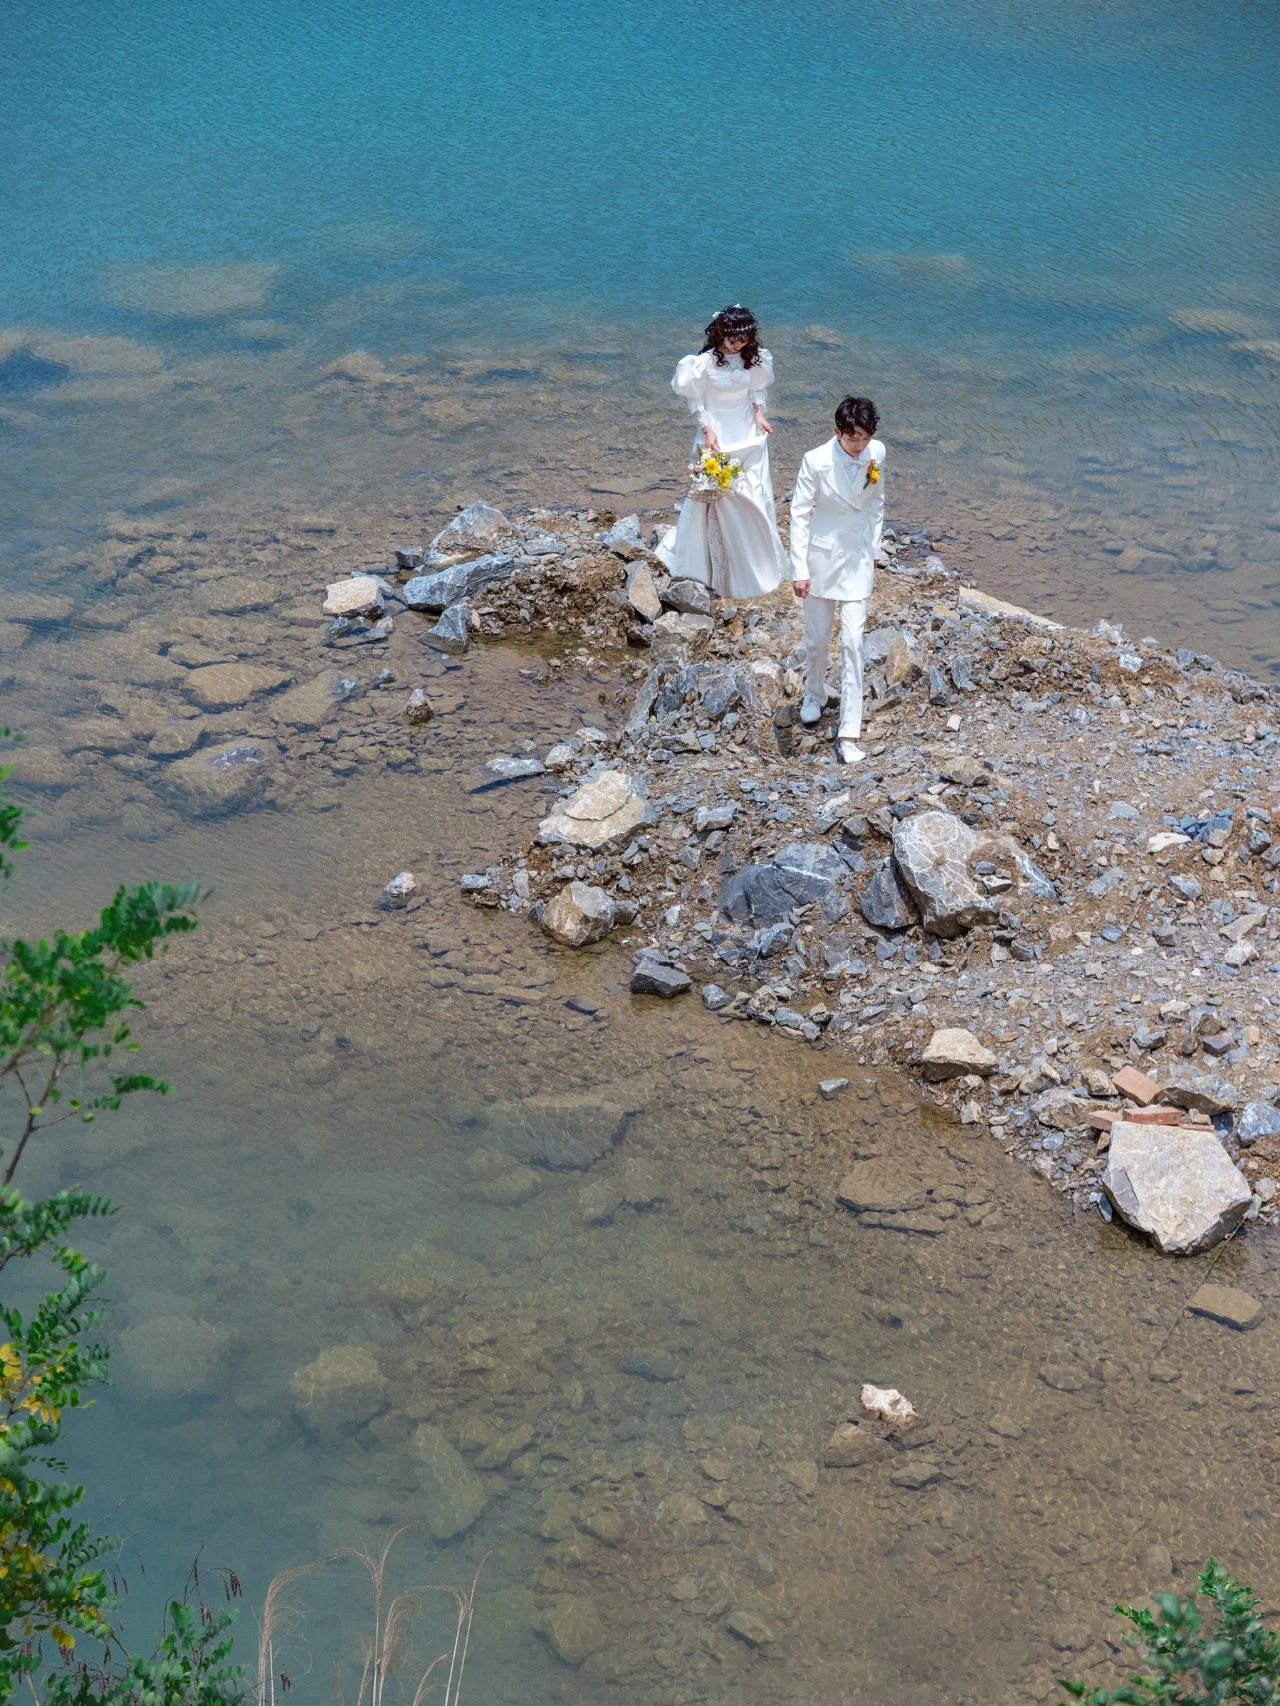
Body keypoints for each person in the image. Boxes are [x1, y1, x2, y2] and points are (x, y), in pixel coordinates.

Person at [789, 395, 886, 765]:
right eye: (852, 439)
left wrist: (875, 546)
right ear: (837, 432)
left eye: (863, 438)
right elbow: (799, 514)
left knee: (853, 643)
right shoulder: (815, 461)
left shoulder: (877, 453)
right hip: (821, 560)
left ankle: (849, 733)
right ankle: (813, 695)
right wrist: (798, 568)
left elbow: (877, 502)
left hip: (858, 558)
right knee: (817, 639)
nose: (859, 447)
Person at [668, 305, 786, 599]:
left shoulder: (754, 360)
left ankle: (755, 558)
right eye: (733, 336)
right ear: (720, 332)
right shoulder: (702, 363)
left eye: (744, 337)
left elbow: (756, 391)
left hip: (746, 428)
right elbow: (696, 402)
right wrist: (707, 430)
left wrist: (759, 415)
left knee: (751, 491)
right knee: (716, 496)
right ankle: (712, 565)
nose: (738, 343)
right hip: (716, 431)